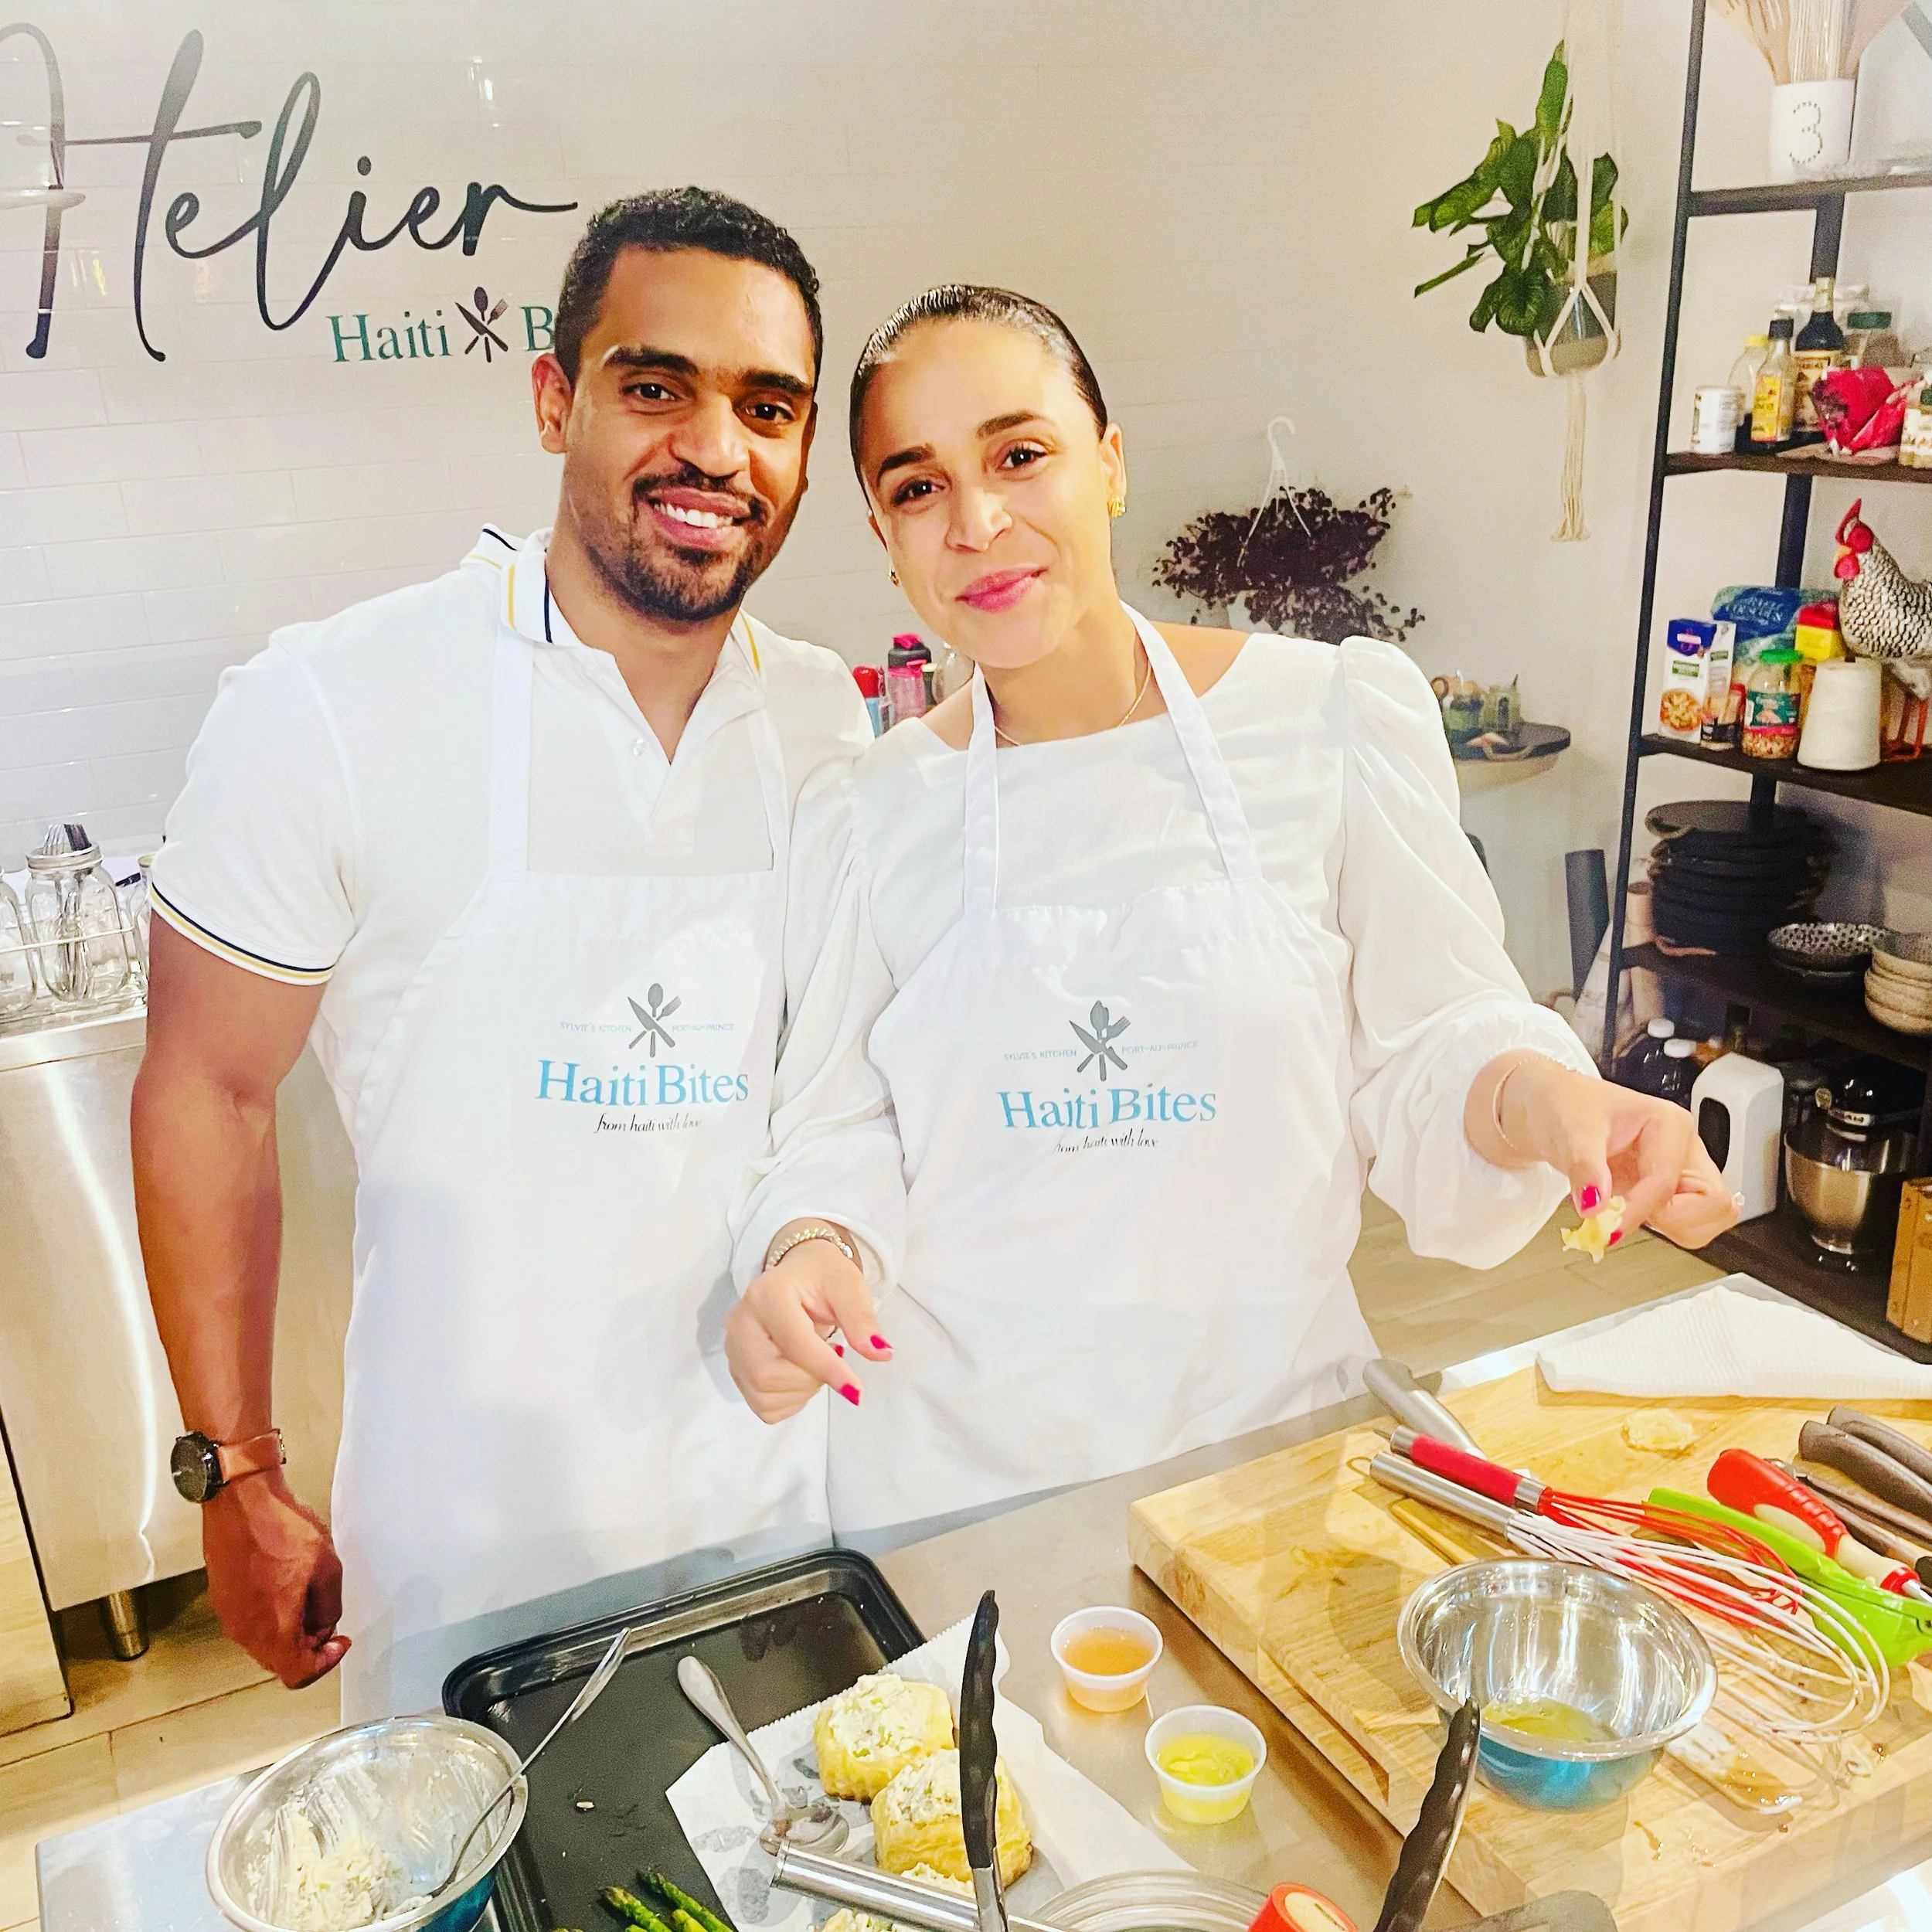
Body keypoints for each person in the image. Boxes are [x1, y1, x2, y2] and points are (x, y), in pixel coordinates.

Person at [722, 284, 1738, 1544]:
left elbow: (1441, 1033)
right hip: (957, 1491)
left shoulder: (1328, 716)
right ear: (884, 535)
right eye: (918, 487)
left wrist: (1551, 1100)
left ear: (1109, 465)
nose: (978, 522)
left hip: (1270, 1459)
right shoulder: (871, 811)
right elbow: (835, 1120)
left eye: (1019, 455)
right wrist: (811, 1247)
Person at [132, 189, 877, 1718]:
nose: (714, 449)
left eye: (768, 406)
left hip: (778, 1509)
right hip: (475, 1550)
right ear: (555, 400)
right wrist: (236, 1465)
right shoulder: (333, 702)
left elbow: (830, 1085)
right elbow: (207, 1082)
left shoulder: (823, 720)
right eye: (653, 386)